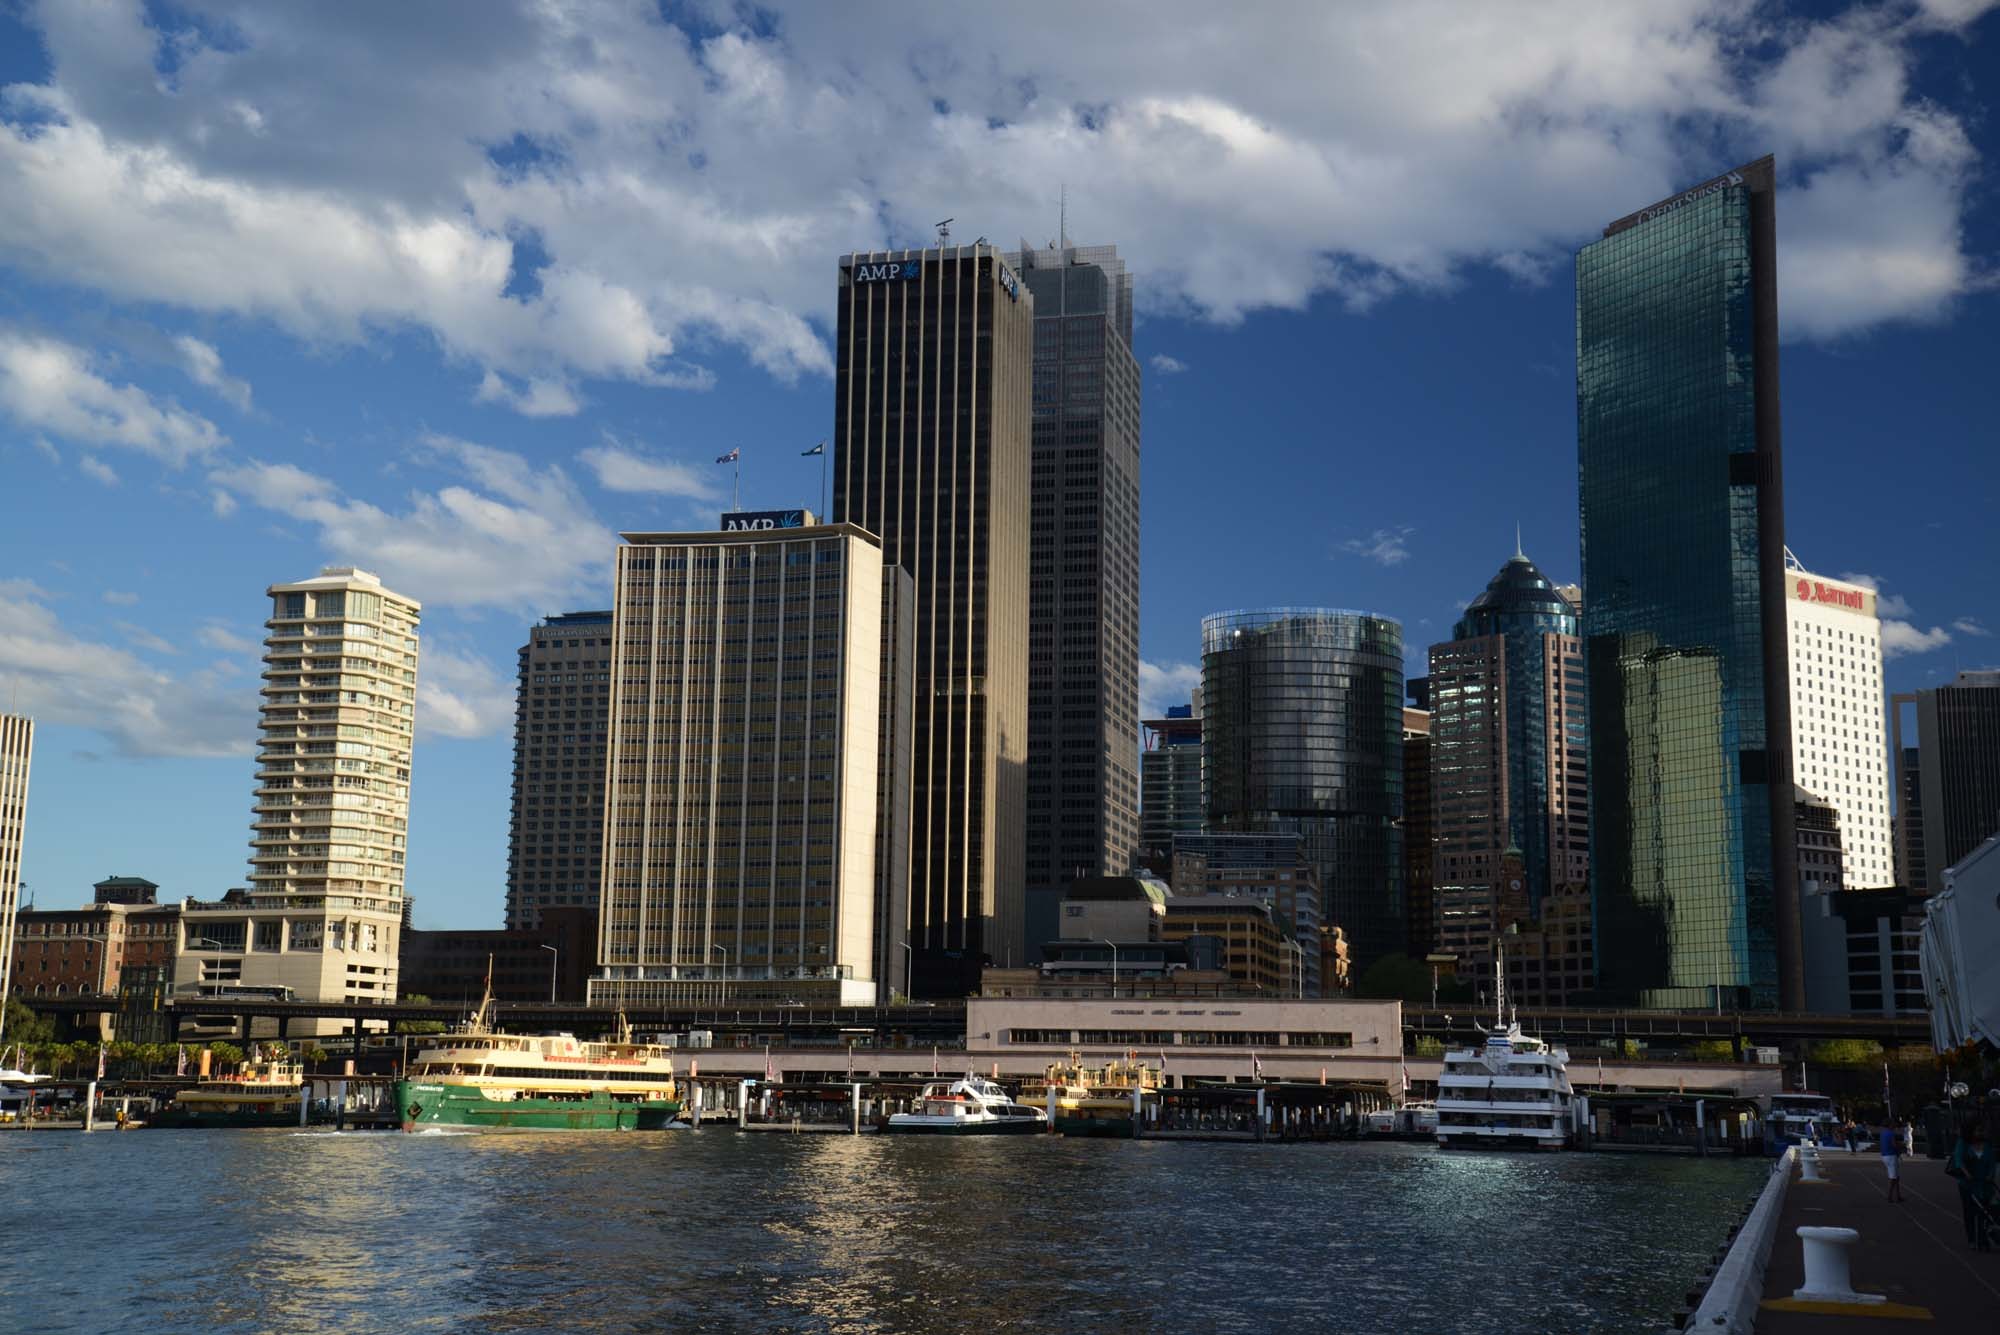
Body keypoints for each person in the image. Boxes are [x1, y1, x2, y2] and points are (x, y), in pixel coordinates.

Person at [1948, 1122, 1997, 1252]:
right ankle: (1972, 1239)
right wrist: (1967, 1174)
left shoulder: (1987, 1145)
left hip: (1984, 1183)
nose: (1981, 1133)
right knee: (1970, 1212)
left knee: (1985, 1212)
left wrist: (1990, 1176)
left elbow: (1992, 1162)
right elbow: (1959, 1160)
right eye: (1979, 1131)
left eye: (1982, 1131)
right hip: (1968, 1184)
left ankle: (1983, 1239)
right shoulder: (1963, 1144)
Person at [1880, 1120, 1906, 1202]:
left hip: (1885, 1155)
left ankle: (1898, 1195)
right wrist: (1902, 1145)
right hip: (1891, 1156)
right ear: (1890, 1125)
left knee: (1896, 1177)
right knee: (1893, 1178)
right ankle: (1890, 1196)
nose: (1895, 1126)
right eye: (1893, 1124)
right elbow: (1894, 1144)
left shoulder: (1883, 1133)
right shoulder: (1891, 1133)